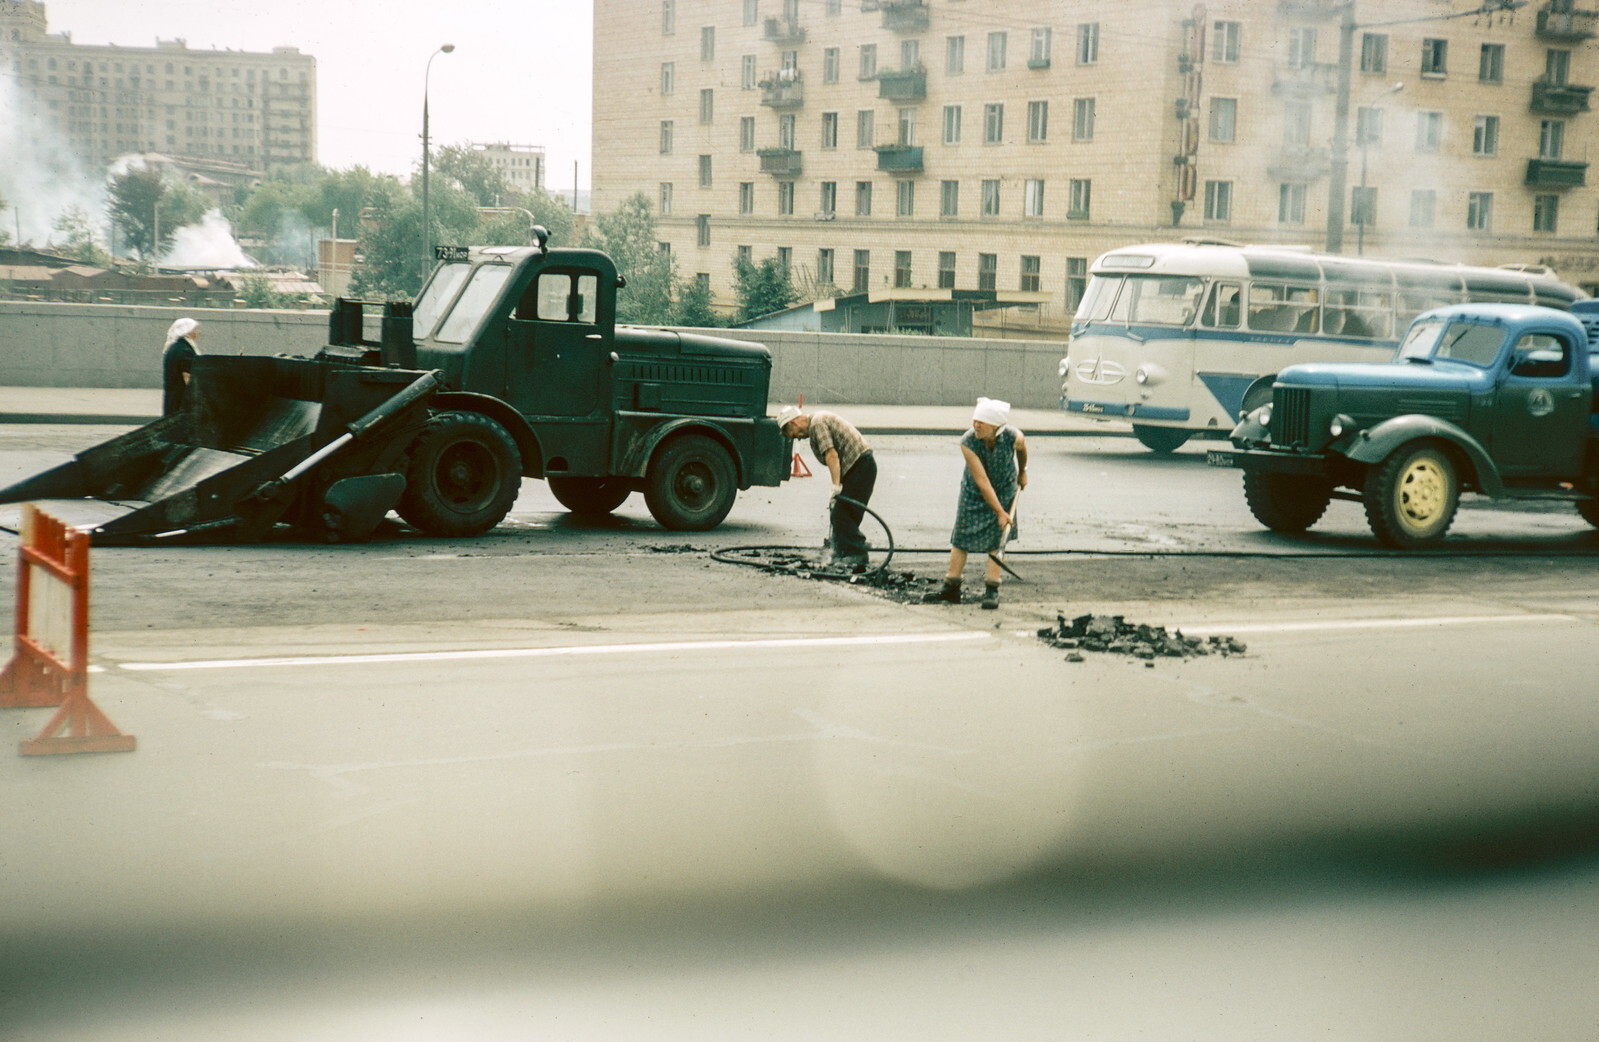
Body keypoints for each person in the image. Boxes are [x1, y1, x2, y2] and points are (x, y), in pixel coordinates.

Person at [924, 397, 1029, 610]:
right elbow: (981, 480)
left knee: (997, 540)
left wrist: (1023, 472)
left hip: (1004, 488)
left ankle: (992, 589)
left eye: (982, 422)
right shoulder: (968, 441)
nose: (976, 426)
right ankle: (952, 586)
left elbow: (1022, 449)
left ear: (997, 426)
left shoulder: (1013, 436)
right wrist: (1000, 511)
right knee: (961, 536)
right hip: (974, 492)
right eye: (975, 420)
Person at [777, 405, 876, 571]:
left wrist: (836, 487)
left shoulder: (817, 424)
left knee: (841, 514)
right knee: (845, 513)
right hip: (860, 466)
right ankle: (843, 549)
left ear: (793, 423)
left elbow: (831, 455)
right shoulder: (818, 421)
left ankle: (857, 554)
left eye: (794, 434)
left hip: (861, 466)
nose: (798, 438)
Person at [162, 317, 201, 416]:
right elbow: (188, 377)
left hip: (172, 397)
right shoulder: (185, 350)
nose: (197, 333)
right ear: (188, 332)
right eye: (195, 329)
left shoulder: (174, 347)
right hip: (181, 399)